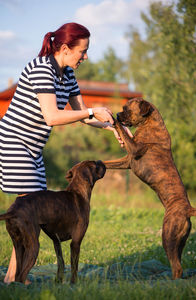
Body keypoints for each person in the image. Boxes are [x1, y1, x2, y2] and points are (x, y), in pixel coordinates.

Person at [0, 22, 131, 284]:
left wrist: (112, 127)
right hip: (15, 143)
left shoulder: (67, 75)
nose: (85, 56)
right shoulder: (41, 70)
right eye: (82, 51)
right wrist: (93, 111)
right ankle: (15, 279)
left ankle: (14, 277)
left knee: (29, 214)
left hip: (34, 149)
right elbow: (52, 116)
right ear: (64, 48)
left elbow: (82, 114)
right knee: (29, 213)